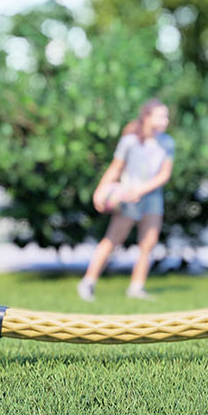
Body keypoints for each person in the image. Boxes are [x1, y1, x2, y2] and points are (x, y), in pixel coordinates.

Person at [76, 99, 175, 302]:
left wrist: (143, 189)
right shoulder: (129, 141)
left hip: (152, 198)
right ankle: (88, 282)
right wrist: (100, 190)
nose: (166, 120)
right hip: (128, 198)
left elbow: (164, 175)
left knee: (148, 243)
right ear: (147, 117)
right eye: (161, 116)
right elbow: (115, 168)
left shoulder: (167, 143)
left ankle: (137, 287)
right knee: (113, 240)